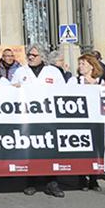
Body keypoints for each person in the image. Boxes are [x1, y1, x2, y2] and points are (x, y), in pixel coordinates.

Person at [11, 43, 65, 197]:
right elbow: (11, 92)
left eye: (34, 55)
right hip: (28, 118)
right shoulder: (21, 71)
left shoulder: (53, 72)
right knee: (31, 150)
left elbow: (63, 92)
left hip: (49, 118)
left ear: (42, 56)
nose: (30, 57)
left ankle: (52, 183)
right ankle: (31, 182)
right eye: (29, 54)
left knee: (50, 151)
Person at [68, 53, 105, 192]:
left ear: (91, 65)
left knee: (96, 149)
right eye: (79, 64)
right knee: (82, 149)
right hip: (80, 120)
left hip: (97, 120)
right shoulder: (74, 81)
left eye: (83, 63)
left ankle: (94, 179)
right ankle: (81, 178)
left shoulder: (100, 81)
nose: (80, 66)